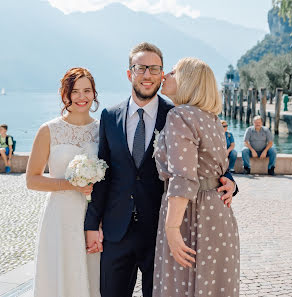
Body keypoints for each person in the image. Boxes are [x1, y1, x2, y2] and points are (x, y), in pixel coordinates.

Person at [84, 43, 237, 297]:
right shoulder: (110, 116)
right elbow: (105, 172)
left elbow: (201, 161)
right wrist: (92, 224)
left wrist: (229, 180)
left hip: (161, 228)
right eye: (141, 68)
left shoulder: (176, 113)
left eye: (155, 69)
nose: (148, 75)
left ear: (162, 74)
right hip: (117, 230)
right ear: (129, 73)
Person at [152, 57, 240, 297]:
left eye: (172, 72)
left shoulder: (179, 116)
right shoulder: (210, 118)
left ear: (187, 81)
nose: (165, 76)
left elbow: (183, 177)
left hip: (190, 216)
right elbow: (216, 169)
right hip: (218, 213)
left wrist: (172, 227)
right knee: (212, 286)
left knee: (181, 286)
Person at [26, 67, 101, 297]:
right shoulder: (49, 130)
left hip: (92, 217)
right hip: (60, 216)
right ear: (65, 94)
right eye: (75, 91)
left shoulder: (102, 130)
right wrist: (71, 185)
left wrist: (100, 223)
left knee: (92, 276)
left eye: (87, 90)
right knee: (60, 275)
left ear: (94, 94)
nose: (82, 97)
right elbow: (32, 180)